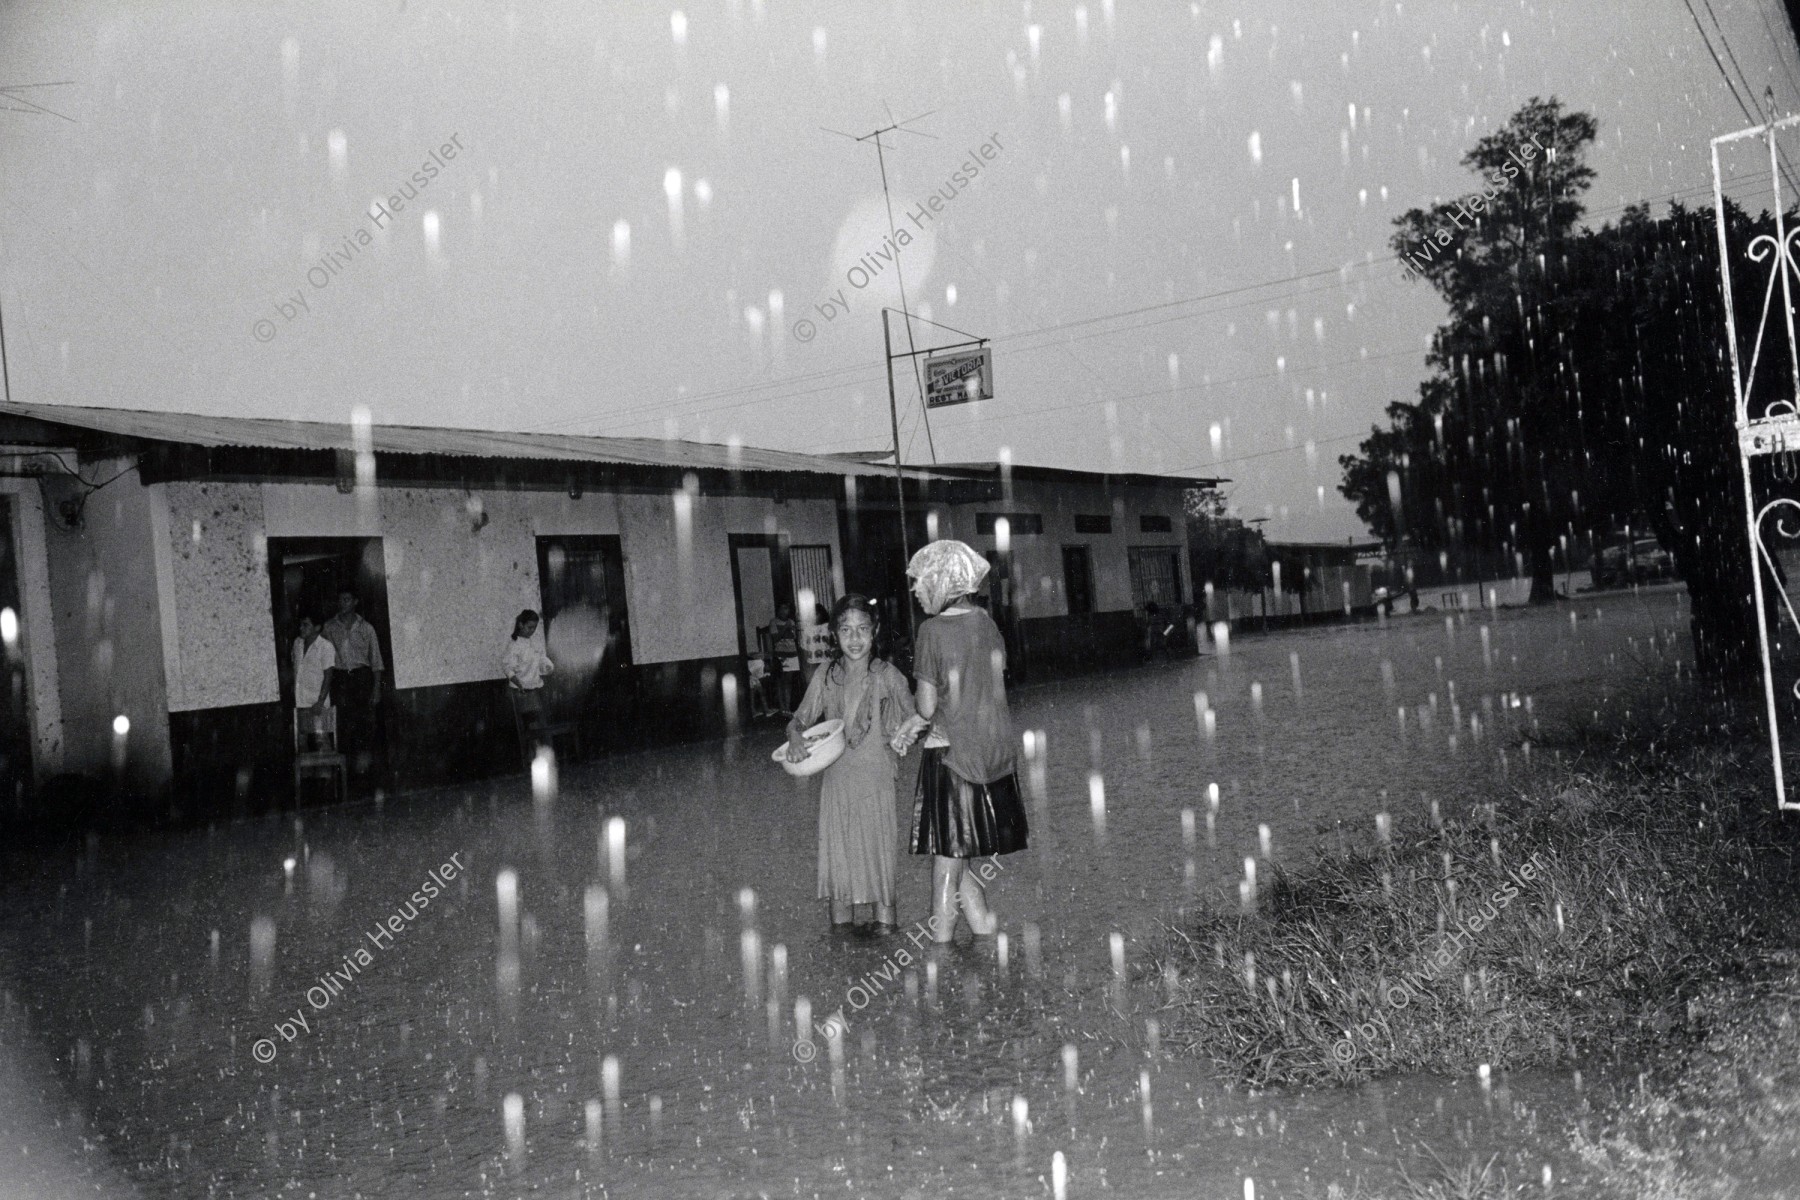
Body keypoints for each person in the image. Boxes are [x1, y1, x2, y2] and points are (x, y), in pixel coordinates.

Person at [896, 540, 1029, 943]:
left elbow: (927, 702)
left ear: (941, 582)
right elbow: (986, 680)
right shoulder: (987, 622)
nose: (916, 590)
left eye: (920, 583)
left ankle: (940, 940)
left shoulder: (931, 631)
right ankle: (984, 926)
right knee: (957, 849)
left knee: (946, 857)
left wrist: (914, 721)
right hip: (993, 750)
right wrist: (915, 724)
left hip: (953, 755)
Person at [784, 594, 918, 932]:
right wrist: (796, 738)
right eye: (846, 630)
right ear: (834, 634)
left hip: (876, 784)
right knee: (839, 866)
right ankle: (842, 945)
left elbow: (917, 717)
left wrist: (907, 733)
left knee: (879, 862)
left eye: (862, 630)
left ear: (874, 632)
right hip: (837, 786)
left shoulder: (888, 675)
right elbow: (798, 719)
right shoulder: (826, 676)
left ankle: (886, 936)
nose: (854, 639)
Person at [324, 588, 385, 784]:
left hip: (362, 679)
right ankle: (346, 777)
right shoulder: (329, 628)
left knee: (365, 726)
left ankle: (367, 776)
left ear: (355, 601)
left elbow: (376, 662)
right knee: (343, 726)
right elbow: (323, 660)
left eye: (347, 599)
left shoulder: (367, 628)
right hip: (341, 681)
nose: (343, 603)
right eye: (341, 599)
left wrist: (376, 689)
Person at [503, 609, 555, 759]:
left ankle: (545, 757)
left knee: (542, 725)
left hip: (537, 688)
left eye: (534, 628)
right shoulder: (514, 646)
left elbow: (542, 661)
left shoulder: (534, 644)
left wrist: (548, 667)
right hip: (523, 692)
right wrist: (518, 684)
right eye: (529, 627)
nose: (532, 631)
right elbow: (507, 667)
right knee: (533, 727)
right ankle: (535, 758)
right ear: (521, 625)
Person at [292, 614, 335, 749]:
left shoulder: (325, 647)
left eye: (306, 625)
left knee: (322, 743)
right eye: (300, 624)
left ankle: (326, 770)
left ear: (317, 628)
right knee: (301, 746)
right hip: (300, 702)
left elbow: (328, 676)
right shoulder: (297, 643)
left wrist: (320, 701)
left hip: (318, 705)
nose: (301, 628)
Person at [768, 602, 802, 713]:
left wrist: (791, 628)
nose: (784, 611)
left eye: (786, 608)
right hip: (780, 655)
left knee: (789, 682)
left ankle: (787, 707)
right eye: (782, 608)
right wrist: (785, 628)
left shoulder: (791, 622)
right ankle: (782, 707)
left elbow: (794, 638)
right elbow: (775, 638)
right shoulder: (773, 622)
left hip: (792, 654)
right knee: (780, 681)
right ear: (778, 610)